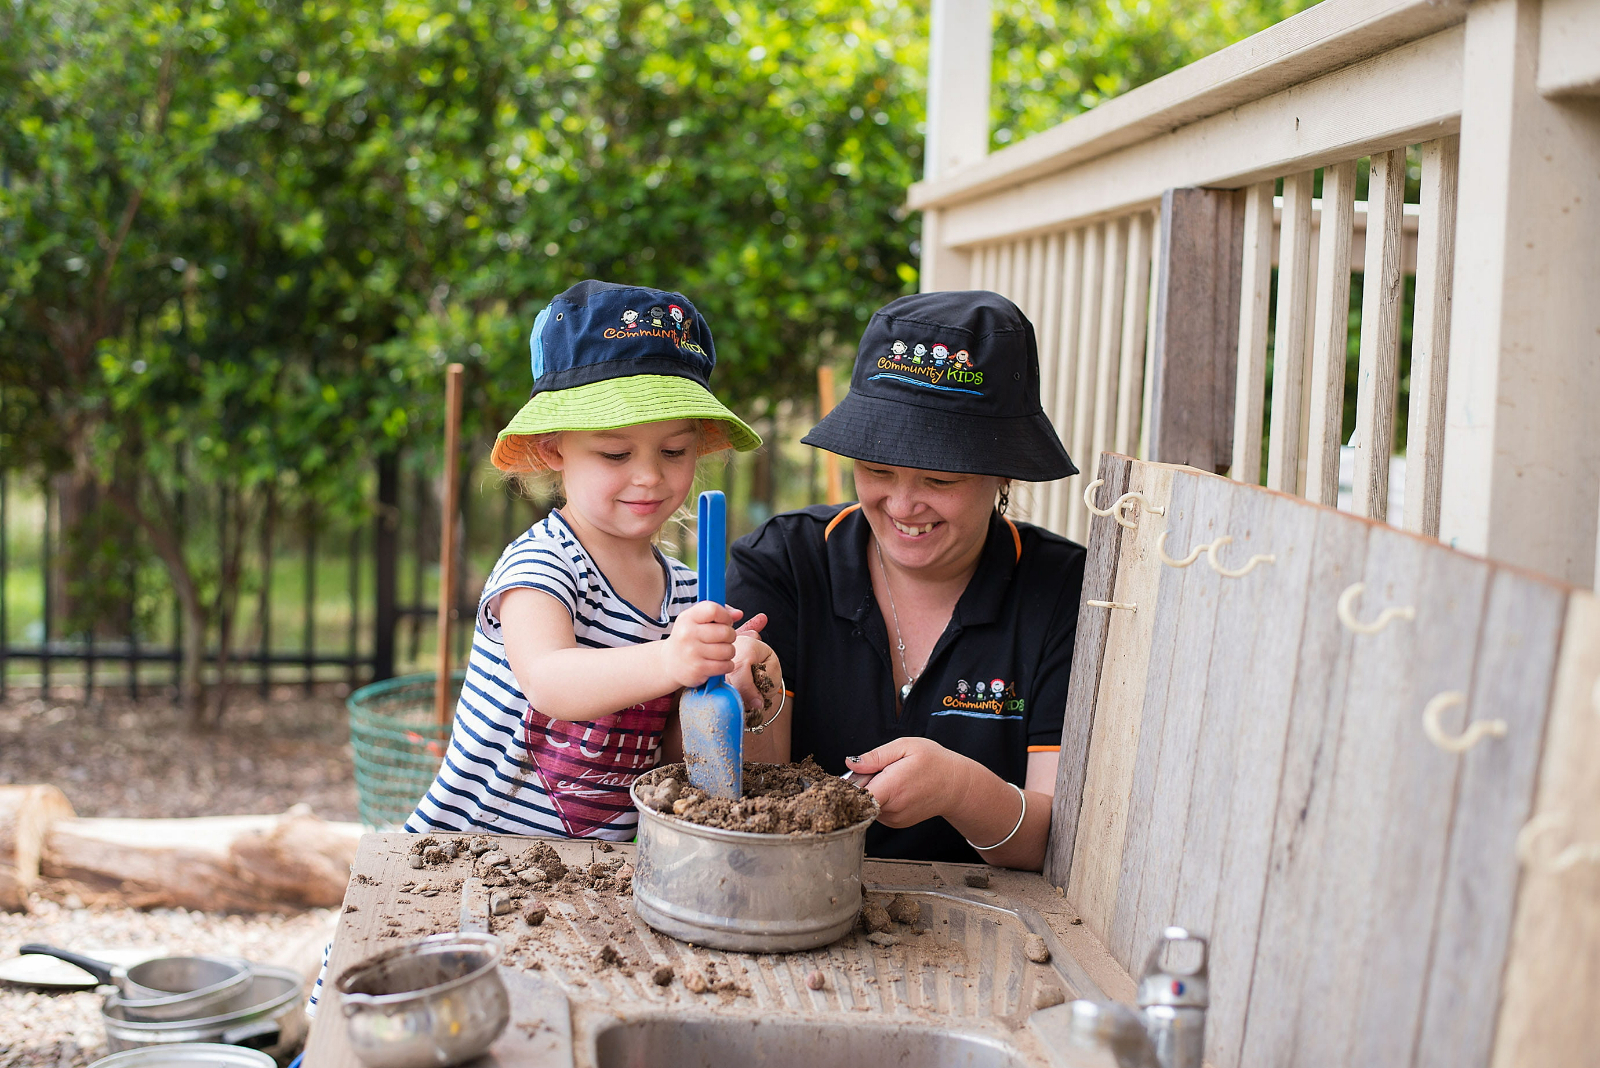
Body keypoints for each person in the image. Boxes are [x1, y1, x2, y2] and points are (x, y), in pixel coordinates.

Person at [404, 279, 782, 841]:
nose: (649, 475)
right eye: (615, 452)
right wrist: (672, 658)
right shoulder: (543, 564)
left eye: (674, 451)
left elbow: (674, 758)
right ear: (554, 447)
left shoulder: (688, 592)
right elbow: (550, 681)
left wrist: (730, 675)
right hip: (471, 854)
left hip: (600, 870)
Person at [725, 290, 1083, 871]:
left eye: (940, 480)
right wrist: (750, 700)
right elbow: (745, 805)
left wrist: (960, 790)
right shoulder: (785, 562)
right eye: (877, 469)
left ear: (1004, 473)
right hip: (794, 888)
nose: (902, 505)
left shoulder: (1063, 591)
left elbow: (1056, 844)